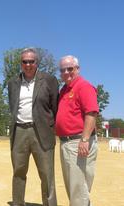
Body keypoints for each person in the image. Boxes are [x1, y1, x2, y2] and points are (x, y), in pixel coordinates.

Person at [8, 47, 59, 206]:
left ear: (37, 62)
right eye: (25, 61)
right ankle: (17, 203)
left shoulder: (49, 80)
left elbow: (55, 106)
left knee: (47, 175)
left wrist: (51, 127)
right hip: (19, 132)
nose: (28, 64)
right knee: (18, 172)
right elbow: (13, 106)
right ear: (20, 63)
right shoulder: (12, 82)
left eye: (31, 61)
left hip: (42, 132)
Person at [55, 55, 99, 206]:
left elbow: (92, 113)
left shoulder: (84, 86)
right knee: (76, 188)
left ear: (77, 69)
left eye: (70, 69)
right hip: (66, 143)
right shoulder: (64, 90)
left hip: (78, 142)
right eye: (62, 70)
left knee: (78, 188)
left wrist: (85, 139)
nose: (66, 72)